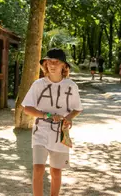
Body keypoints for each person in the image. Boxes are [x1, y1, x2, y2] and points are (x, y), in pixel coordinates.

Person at [21, 48, 83, 196]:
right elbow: (27, 108)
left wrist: (68, 118)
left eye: (56, 62)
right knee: (38, 169)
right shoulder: (38, 85)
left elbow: (77, 109)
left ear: (64, 66)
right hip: (40, 131)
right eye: (49, 62)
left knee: (55, 171)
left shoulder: (71, 86)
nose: (52, 65)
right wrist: (46, 115)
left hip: (60, 134)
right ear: (45, 65)